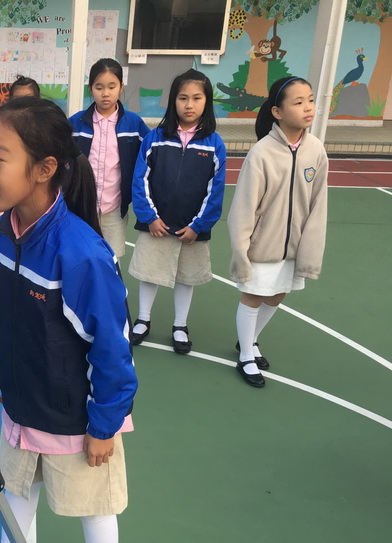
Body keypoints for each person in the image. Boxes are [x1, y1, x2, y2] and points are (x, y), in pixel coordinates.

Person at [0, 97, 137, 543]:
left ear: (45, 168)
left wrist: (105, 424)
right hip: (22, 400)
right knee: (16, 490)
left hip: (75, 415)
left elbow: (112, 348)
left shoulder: (81, 252)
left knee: (95, 506)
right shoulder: (2, 235)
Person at [228, 76, 328, 387]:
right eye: (298, 102)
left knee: (277, 295)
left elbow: (318, 204)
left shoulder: (316, 150)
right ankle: (246, 355)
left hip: (294, 246)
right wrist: (241, 250)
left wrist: (310, 249)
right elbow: (243, 208)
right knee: (254, 296)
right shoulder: (262, 153)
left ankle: (249, 340)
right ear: (277, 112)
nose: (308, 107)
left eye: (310, 100)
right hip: (263, 244)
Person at [128, 69, 226, 354]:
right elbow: (140, 180)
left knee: (186, 277)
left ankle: (180, 324)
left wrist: (199, 225)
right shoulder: (155, 138)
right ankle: (143, 319)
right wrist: (149, 217)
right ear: (173, 101)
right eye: (183, 98)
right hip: (156, 224)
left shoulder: (214, 144)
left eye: (197, 98)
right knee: (150, 272)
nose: (189, 104)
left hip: (191, 229)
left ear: (207, 102)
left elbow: (216, 190)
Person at [68, 58, 149, 259]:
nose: (105, 93)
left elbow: (151, 155)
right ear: (90, 88)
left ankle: (111, 282)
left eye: (112, 87)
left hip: (114, 207)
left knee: (111, 258)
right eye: (99, 87)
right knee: (80, 255)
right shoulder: (76, 122)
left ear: (121, 87)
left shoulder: (133, 124)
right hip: (81, 205)